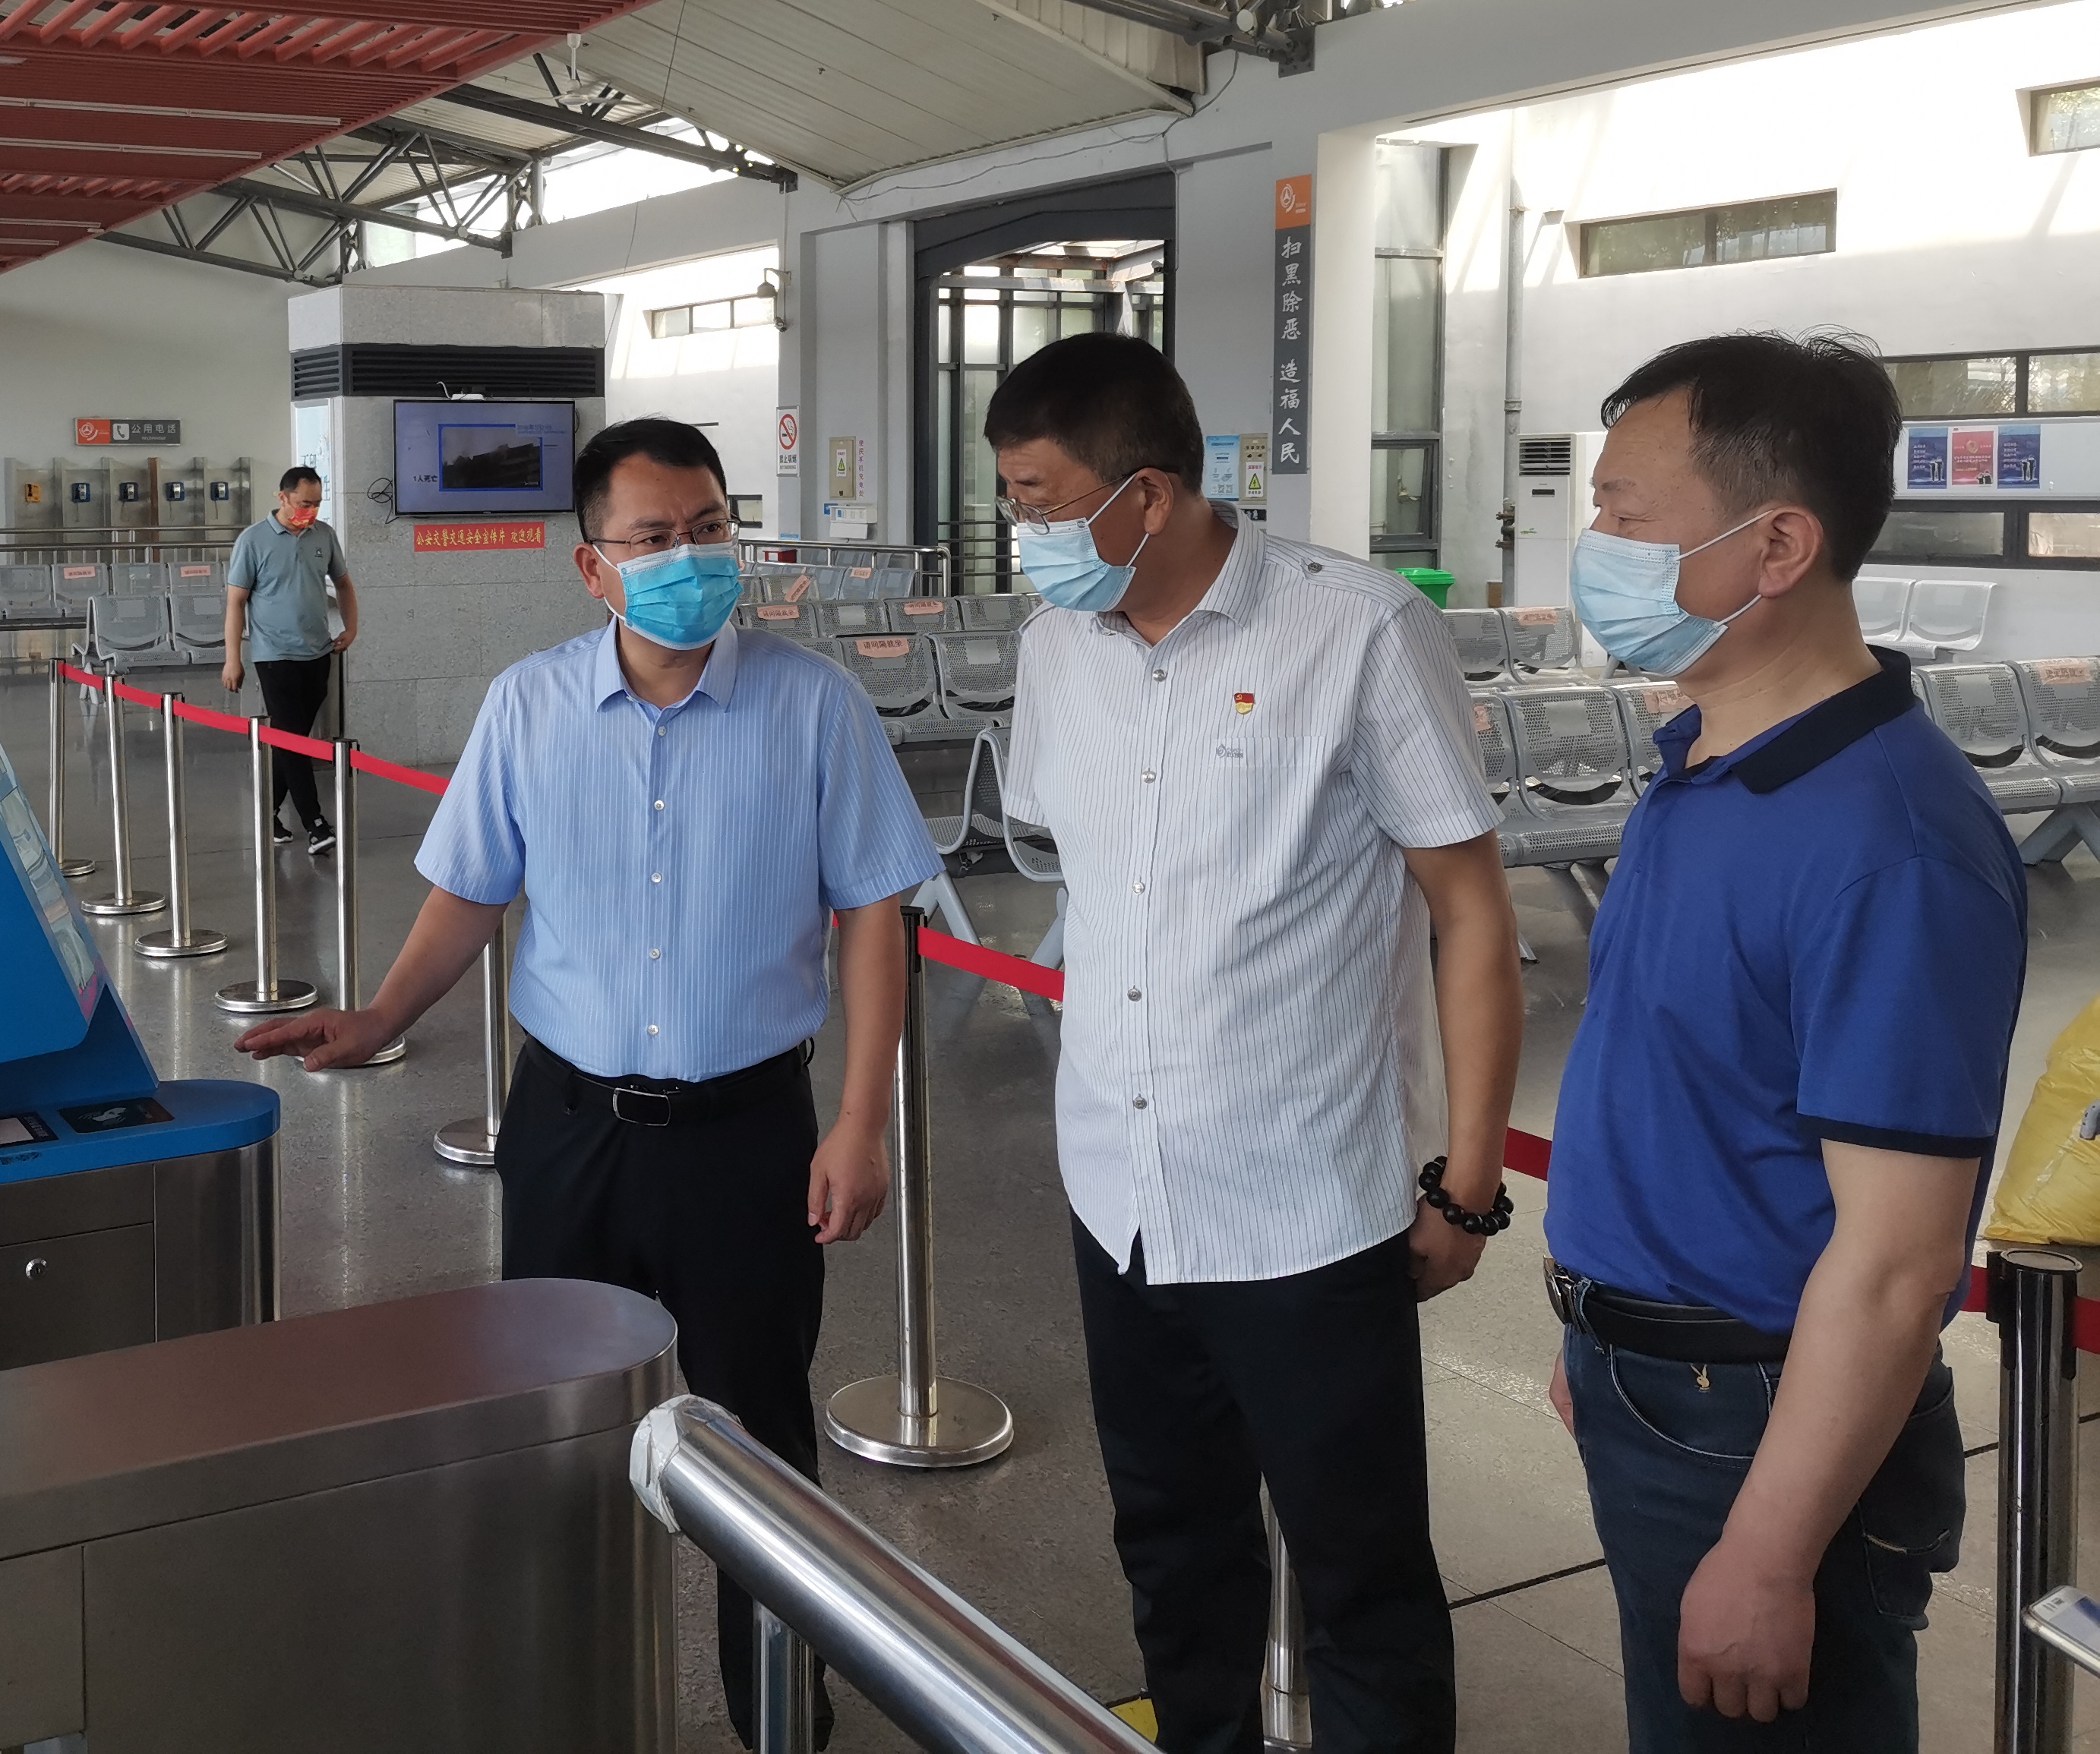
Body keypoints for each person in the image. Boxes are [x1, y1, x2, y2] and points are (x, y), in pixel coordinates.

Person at [236, 416, 939, 1749]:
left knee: (759, 1445)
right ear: (592, 565)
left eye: (711, 529)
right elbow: (470, 892)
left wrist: (861, 1120)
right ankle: (559, 1702)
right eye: (655, 538)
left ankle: (780, 1718)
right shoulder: (529, 706)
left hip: (749, 1136)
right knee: (553, 1434)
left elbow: (873, 916)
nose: (692, 558)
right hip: (569, 1132)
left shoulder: (815, 707)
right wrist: (381, 1014)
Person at [987, 332, 1524, 1754]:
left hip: (1305, 1209)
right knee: (1172, 1545)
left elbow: (1470, 913)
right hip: (1121, 1195)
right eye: (1014, 502)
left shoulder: (1356, 631)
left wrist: (1469, 1180)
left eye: (1045, 503)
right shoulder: (1056, 648)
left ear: (1149, 495)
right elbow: (1102, 886)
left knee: (1362, 1576)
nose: (1026, 535)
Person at [1543, 333, 2024, 1751]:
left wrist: (1765, 1552)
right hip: (1660, 1385)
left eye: (1627, 513)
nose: (1597, 546)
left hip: (1758, 1425)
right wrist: (1600, 1332)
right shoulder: (1703, 756)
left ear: (1777, 546)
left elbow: (1897, 1262)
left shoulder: (1892, 846)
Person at [224, 465, 356, 856]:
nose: (310, 512)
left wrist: (351, 627)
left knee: (292, 738)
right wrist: (233, 659)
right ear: (282, 498)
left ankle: (267, 813)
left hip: (318, 652)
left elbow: (344, 584)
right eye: (303, 503)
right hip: (273, 655)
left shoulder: (324, 535)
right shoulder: (253, 540)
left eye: (316, 504)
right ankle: (315, 823)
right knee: (292, 739)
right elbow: (235, 603)